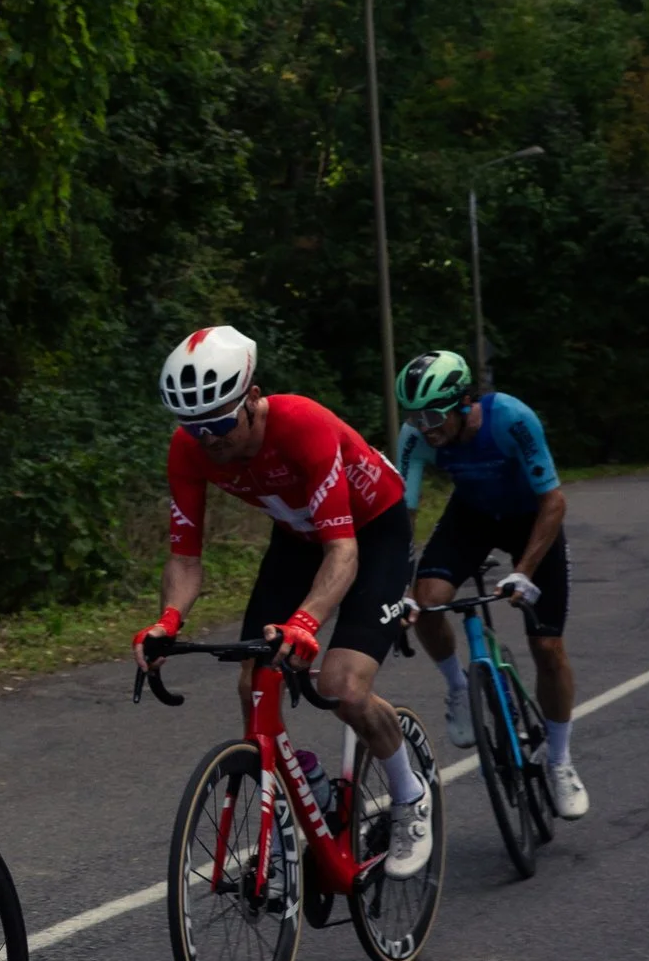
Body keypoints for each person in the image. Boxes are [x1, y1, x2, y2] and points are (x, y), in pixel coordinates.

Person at [133, 326, 435, 877]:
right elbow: (185, 558)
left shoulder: (302, 424)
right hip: (298, 539)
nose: (211, 440)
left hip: (371, 532)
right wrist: (167, 621)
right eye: (195, 428)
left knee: (341, 687)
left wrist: (304, 621)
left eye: (220, 422)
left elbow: (342, 552)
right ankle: (307, 784)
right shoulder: (191, 450)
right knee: (252, 684)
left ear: (252, 397)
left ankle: (409, 794)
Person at [395, 349, 588, 818]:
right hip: (473, 518)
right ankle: (459, 687)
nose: (426, 426)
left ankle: (560, 761)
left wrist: (523, 569)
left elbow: (554, 501)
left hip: (531, 519)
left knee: (547, 647)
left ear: (464, 402)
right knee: (428, 601)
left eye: (435, 414)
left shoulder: (512, 418)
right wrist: (398, 589)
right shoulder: (416, 437)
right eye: (416, 416)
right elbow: (403, 514)